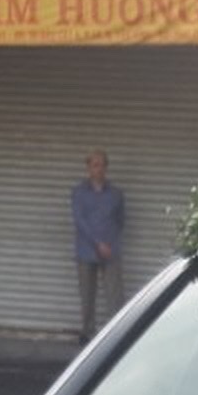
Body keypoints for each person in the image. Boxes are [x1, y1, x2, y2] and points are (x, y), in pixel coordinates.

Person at [70, 147, 125, 343]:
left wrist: (110, 242)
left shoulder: (116, 194)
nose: (98, 169)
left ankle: (117, 334)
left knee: (114, 295)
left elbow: (120, 221)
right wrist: (98, 243)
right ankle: (87, 332)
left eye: (102, 165)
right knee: (87, 295)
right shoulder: (79, 193)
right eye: (94, 165)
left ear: (106, 167)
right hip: (86, 250)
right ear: (88, 168)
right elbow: (80, 221)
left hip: (110, 250)